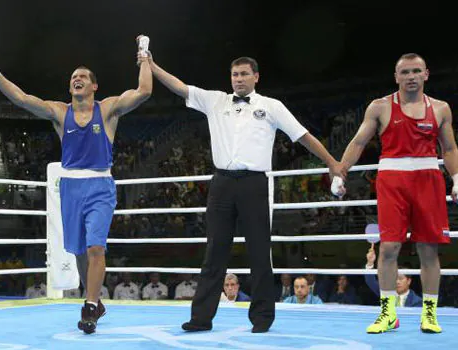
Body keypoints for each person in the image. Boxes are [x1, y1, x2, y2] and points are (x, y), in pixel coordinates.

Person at [147, 52, 344, 333]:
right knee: (214, 251)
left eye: (243, 74)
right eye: (234, 75)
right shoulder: (216, 100)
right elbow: (179, 87)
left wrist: (332, 163)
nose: (238, 79)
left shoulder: (271, 106)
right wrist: (152, 66)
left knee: (260, 252)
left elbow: (302, 135)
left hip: (254, 184)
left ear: (256, 77)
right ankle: (201, 318)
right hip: (222, 184)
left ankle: (262, 318)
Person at [0, 36, 152, 334]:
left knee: (96, 248)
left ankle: (90, 307)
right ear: (70, 88)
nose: (77, 79)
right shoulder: (59, 112)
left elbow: (144, 90)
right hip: (70, 188)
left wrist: (144, 57)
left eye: (83, 76)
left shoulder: (107, 110)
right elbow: (21, 98)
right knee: (80, 250)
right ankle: (93, 298)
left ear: (94, 86)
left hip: (99, 186)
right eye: (73, 78)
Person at [332, 53, 458, 334]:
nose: (411, 76)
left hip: (428, 179)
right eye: (405, 72)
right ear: (396, 77)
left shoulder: (440, 108)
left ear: (426, 74)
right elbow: (358, 142)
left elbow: (450, 149)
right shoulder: (380, 107)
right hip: (392, 180)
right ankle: (388, 313)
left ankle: (429, 314)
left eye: (416, 71)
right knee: (389, 247)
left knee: (428, 249)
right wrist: (340, 172)